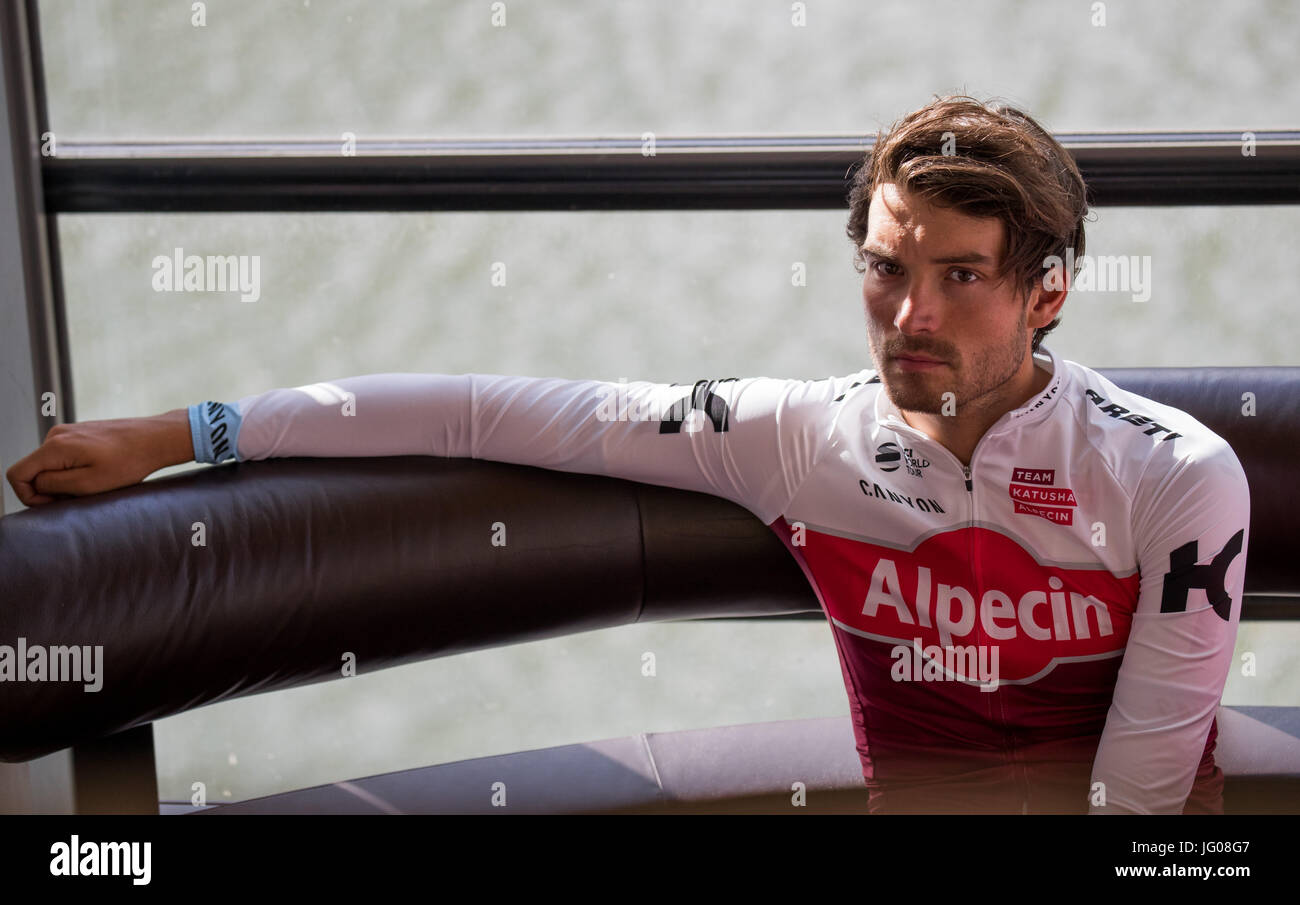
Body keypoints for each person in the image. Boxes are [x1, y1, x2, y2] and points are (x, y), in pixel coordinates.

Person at [5, 95, 1249, 815]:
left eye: (959, 276)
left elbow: (1138, 808)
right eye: (884, 267)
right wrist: (187, 432)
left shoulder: (1172, 474)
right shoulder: (796, 435)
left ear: (1048, 293)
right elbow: (482, 410)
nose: (908, 316)